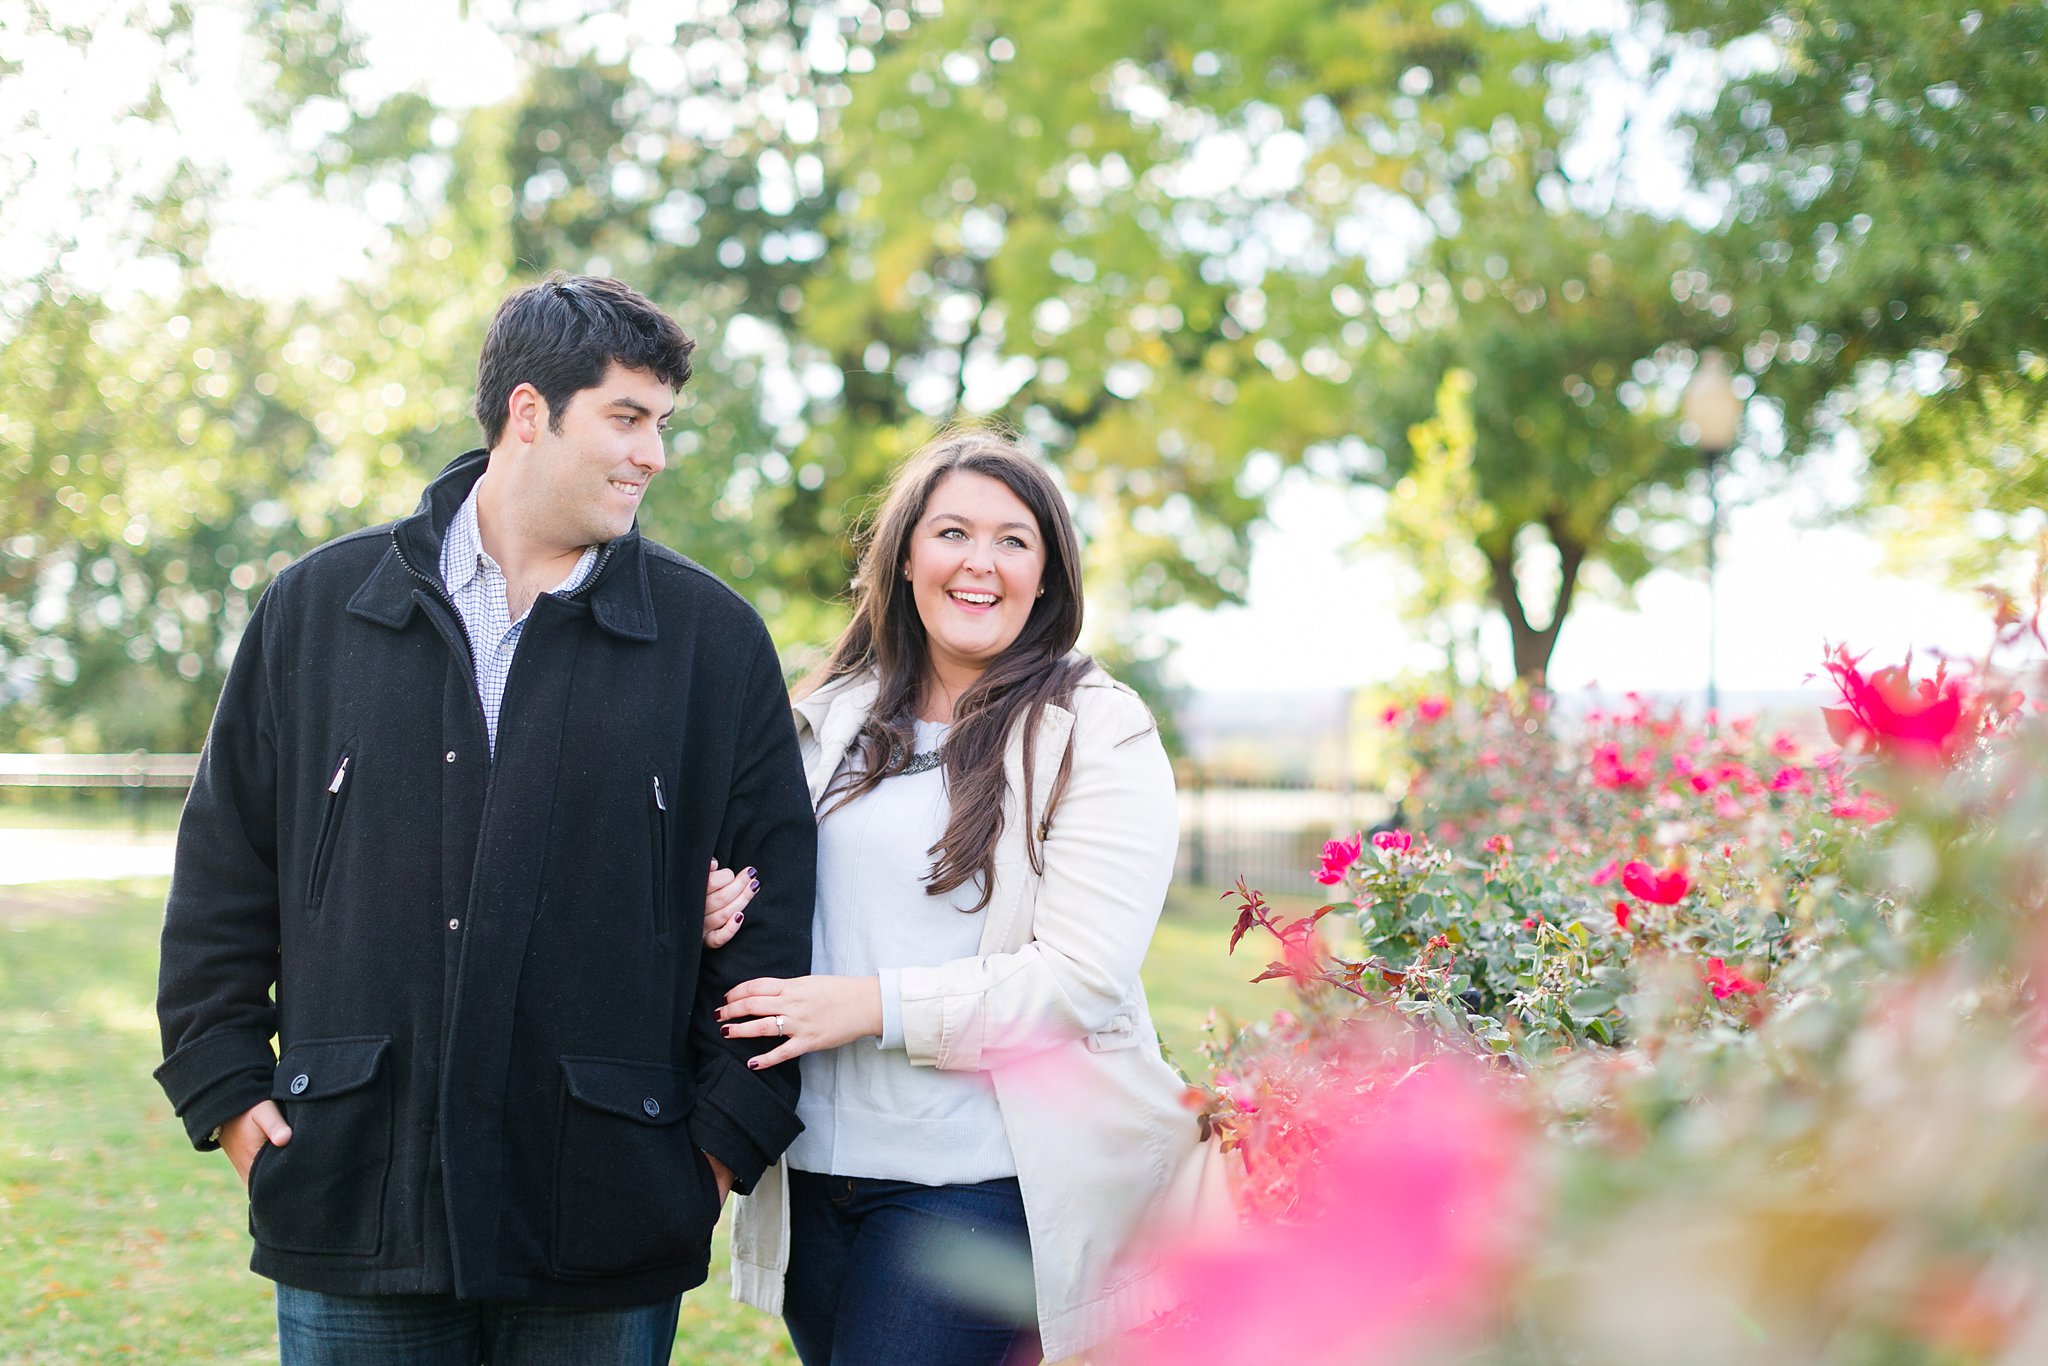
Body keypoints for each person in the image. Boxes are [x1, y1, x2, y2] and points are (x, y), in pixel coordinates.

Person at [153, 274, 817, 1365]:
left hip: (606, 1218)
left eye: (662, 423)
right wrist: (229, 1099)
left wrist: (713, 1151)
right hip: (351, 1201)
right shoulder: (314, 611)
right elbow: (224, 877)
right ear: (526, 412)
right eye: (626, 416)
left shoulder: (714, 642)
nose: (654, 453)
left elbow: (772, 923)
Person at [703, 430, 1217, 1365]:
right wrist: (716, 904)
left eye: (1014, 540)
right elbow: (778, 893)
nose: (980, 563)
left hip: (981, 1182)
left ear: (1048, 573)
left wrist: (870, 1007)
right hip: (816, 1174)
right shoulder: (829, 722)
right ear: (905, 558)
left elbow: (1081, 981)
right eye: (952, 533)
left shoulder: (1097, 730)